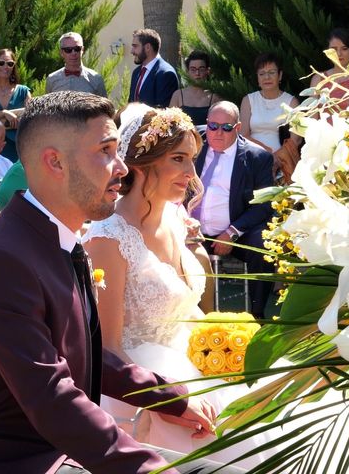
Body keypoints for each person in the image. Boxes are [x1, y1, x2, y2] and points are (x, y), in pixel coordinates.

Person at [0, 91, 242, 474]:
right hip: (8, 460)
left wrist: (173, 399)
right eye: (106, 152)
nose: (123, 168)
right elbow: (51, 395)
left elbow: (94, 358)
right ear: (55, 162)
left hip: (63, 448)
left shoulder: (63, 241)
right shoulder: (0, 259)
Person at [83, 105, 272, 468]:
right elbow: (106, 349)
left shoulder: (174, 214)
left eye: (193, 159)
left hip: (194, 355)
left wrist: (226, 340)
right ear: (141, 163)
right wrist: (168, 399)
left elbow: (187, 304)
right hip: (143, 384)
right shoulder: (107, 238)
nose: (191, 173)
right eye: (179, 159)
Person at [193, 101, 274, 318]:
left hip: (233, 233)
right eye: (213, 126)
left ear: (237, 128)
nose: (218, 133)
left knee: (263, 244)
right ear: (207, 124)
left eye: (226, 128)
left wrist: (232, 232)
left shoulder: (257, 158)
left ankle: (257, 315)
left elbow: (264, 204)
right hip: (190, 230)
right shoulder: (192, 142)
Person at [239, 53, 301, 184]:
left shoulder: (291, 102)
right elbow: (243, 134)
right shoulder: (248, 100)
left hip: (283, 164)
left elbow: (295, 139)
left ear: (280, 75)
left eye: (271, 72)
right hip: (252, 159)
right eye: (262, 73)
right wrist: (267, 155)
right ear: (257, 77)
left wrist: (277, 159)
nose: (267, 77)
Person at [310, 28, 349, 112]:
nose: (339, 54)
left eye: (344, 49)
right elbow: (312, 116)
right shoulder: (318, 79)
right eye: (334, 49)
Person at [45, 32, 108, 97]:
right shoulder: (52, 79)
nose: (73, 53)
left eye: (77, 49)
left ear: (82, 50)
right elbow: (48, 105)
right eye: (68, 50)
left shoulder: (96, 79)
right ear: (61, 52)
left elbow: (105, 106)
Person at [169, 50, 222, 126]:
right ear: (187, 72)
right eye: (193, 70)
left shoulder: (215, 97)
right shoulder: (178, 95)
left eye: (201, 69)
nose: (197, 73)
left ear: (208, 71)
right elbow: (170, 124)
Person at [128, 29, 179, 108]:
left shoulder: (166, 74)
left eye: (135, 46)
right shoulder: (136, 72)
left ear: (148, 47)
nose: (132, 51)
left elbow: (163, 111)